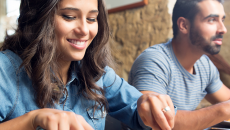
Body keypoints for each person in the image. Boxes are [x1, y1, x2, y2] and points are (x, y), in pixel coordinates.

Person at [0, 0, 176, 130]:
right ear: (38, 18)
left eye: (92, 19)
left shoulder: (97, 73)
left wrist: (150, 105)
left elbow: (139, 113)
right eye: (69, 17)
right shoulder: (5, 70)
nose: (84, 30)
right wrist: (32, 120)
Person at [129, 0, 230, 129]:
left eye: (222, 19)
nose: (223, 29)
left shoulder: (205, 64)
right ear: (184, 25)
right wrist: (223, 110)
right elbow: (155, 119)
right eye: (211, 20)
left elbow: (226, 99)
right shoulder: (155, 60)